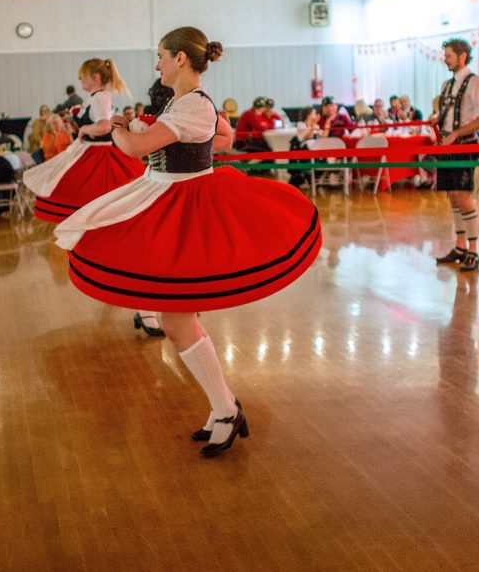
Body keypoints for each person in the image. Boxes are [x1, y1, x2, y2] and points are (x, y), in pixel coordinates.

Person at [54, 26, 322, 456]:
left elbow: (134, 150)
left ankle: (226, 409)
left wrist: (122, 128)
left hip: (187, 204)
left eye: (161, 55)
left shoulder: (194, 104)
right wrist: (177, 138)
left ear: (180, 58)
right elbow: (222, 137)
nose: (156, 62)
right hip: (164, 196)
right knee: (176, 317)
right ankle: (224, 408)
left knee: (178, 320)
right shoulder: (184, 103)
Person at [23, 58, 145, 223]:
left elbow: (104, 126)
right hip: (91, 151)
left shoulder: (100, 98)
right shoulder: (97, 97)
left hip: (98, 154)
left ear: (95, 78)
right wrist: (79, 127)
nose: (80, 80)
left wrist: (83, 129)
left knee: (82, 197)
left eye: (82, 77)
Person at [433, 39, 479, 272]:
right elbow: (445, 112)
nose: (445, 59)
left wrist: (456, 132)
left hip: (465, 146)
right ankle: (459, 246)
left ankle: (474, 251)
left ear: (462, 56)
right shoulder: (448, 85)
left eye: (448, 55)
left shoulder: (475, 82)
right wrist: (437, 118)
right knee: (453, 196)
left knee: (464, 196)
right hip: (447, 146)